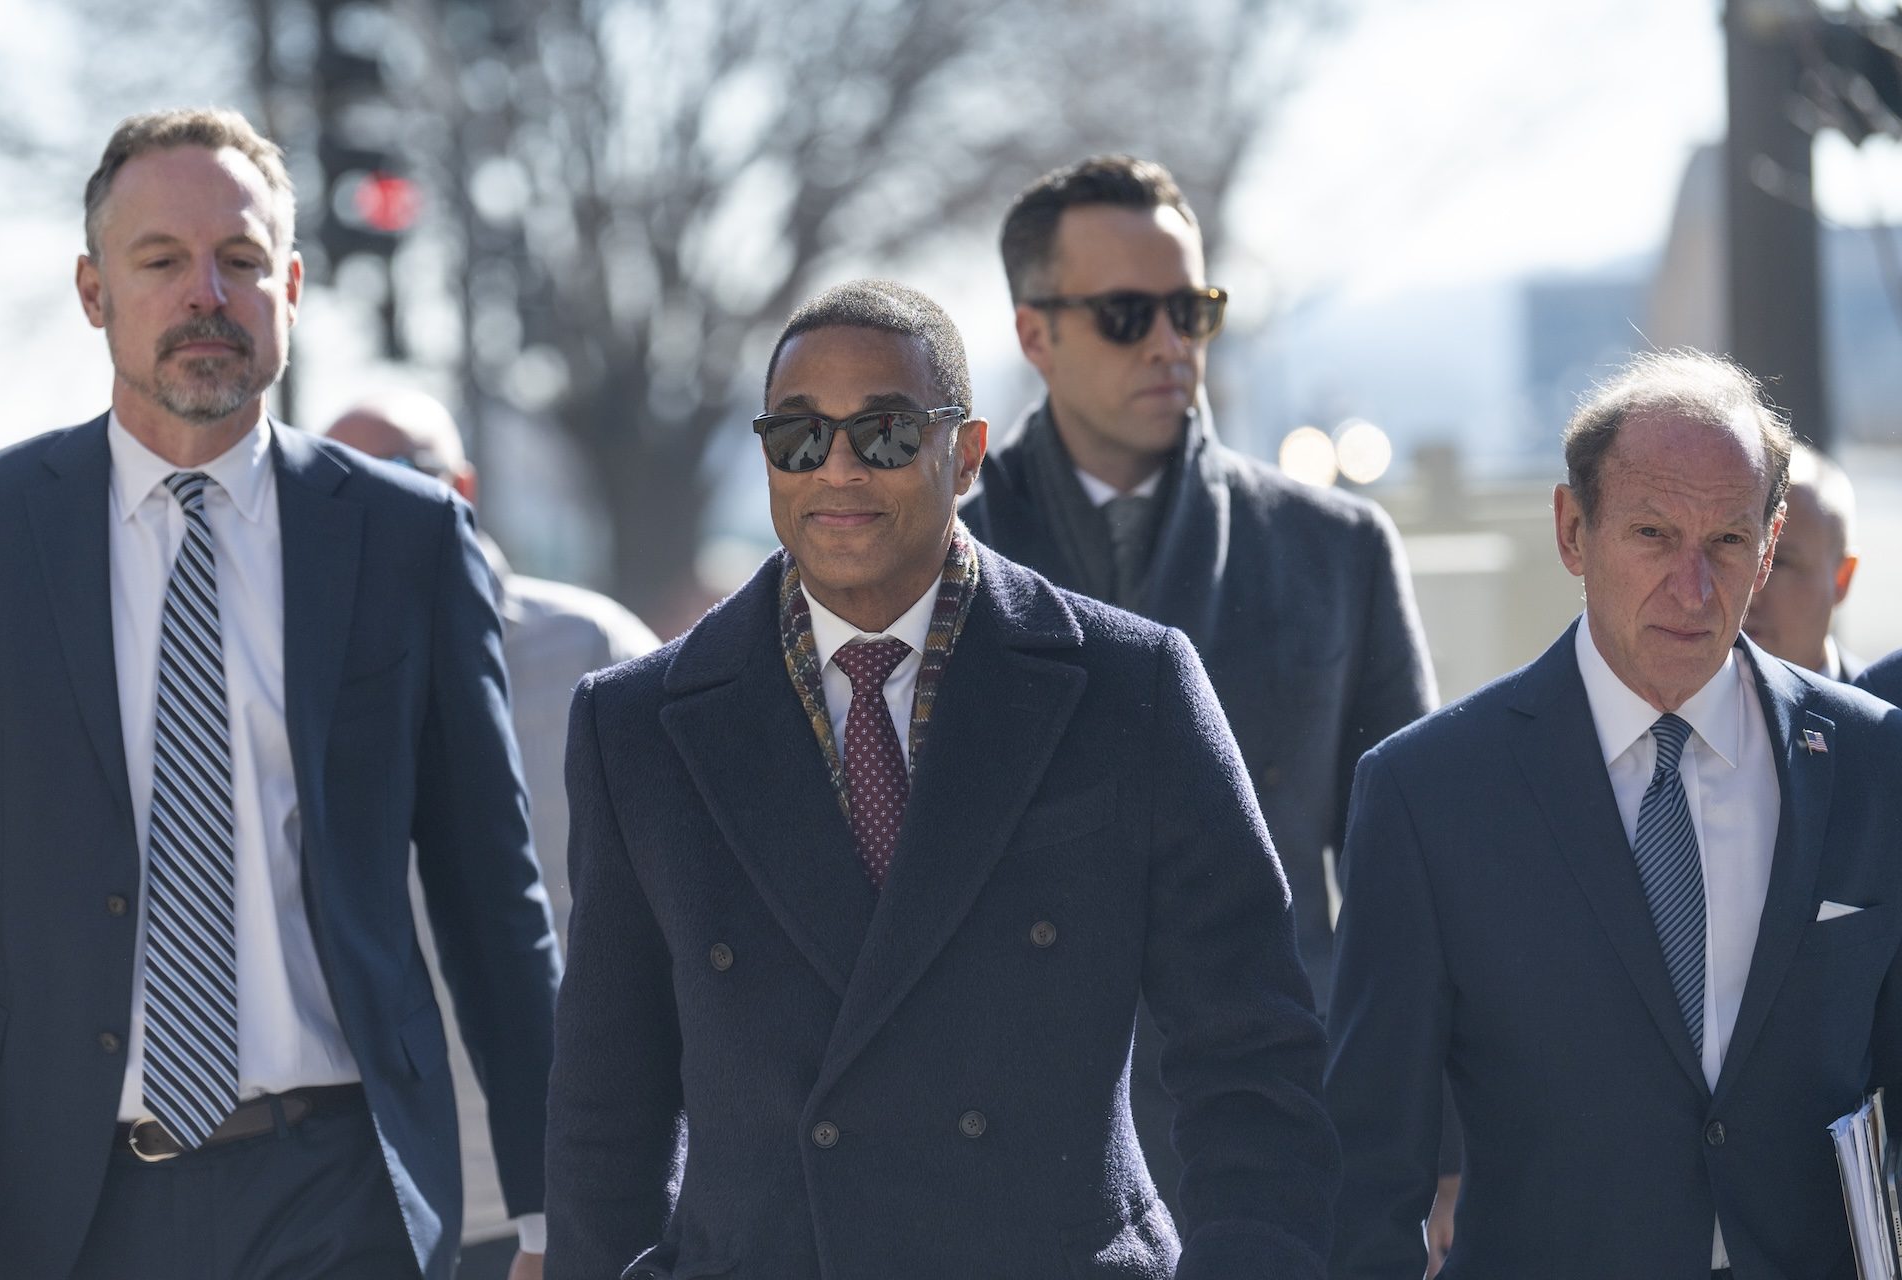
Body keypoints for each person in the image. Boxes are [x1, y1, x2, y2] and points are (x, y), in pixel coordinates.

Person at [544, 279, 1339, 1279]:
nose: (836, 466)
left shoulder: (1128, 687)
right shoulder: (636, 726)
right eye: (798, 435)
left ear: (964, 454)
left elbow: (1252, 1056)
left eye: (883, 433)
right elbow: (606, 1108)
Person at [0, 109, 559, 1280]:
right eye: (161, 259)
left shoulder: (407, 540)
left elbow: (491, 896)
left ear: (291, 289)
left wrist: (556, 1209)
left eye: (242, 260)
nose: (206, 293)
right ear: (94, 292)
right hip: (60, 1206)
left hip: (343, 1190)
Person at [1327, 350, 1902, 1279]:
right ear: (1572, 530)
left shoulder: (1876, 761)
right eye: (1652, 534)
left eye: (1728, 541)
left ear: (1769, 546)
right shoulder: (1428, 793)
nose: (1693, 586)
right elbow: (1367, 1164)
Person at [959, 151, 1438, 1203]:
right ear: (1033, 334)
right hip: (1007, 1157)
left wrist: (1438, 1144)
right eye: (1127, 315)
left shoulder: (1335, 549)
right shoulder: (947, 561)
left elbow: (1410, 883)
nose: (1170, 344)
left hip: (1280, 1131)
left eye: (1192, 310)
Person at [325, 391, 657, 1272]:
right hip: (375, 1201)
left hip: (580, 1188)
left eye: (402, 474)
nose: (373, 507)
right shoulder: (290, 687)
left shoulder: (590, 650)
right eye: (338, 486)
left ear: (461, 488)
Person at [1742, 442, 1861, 680]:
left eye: (1778, 563)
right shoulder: (1671, 702)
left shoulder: (1885, 703)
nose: (1749, 593)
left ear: (1842, 578)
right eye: (1731, 546)